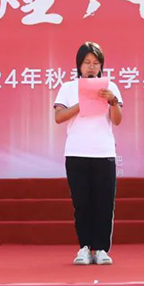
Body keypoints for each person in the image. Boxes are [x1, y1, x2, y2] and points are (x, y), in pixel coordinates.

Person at [54, 42, 123, 265]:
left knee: (104, 203)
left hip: (103, 153)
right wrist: (82, 104)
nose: (91, 67)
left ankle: (101, 249)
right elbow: (59, 117)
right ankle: (84, 247)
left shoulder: (110, 87)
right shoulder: (68, 88)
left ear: (101, 65)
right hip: (77, 152)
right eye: (87, 62)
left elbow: (117, 120)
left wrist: (112, 101)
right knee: (81, 203)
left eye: (95, 63)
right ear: (79, 65)